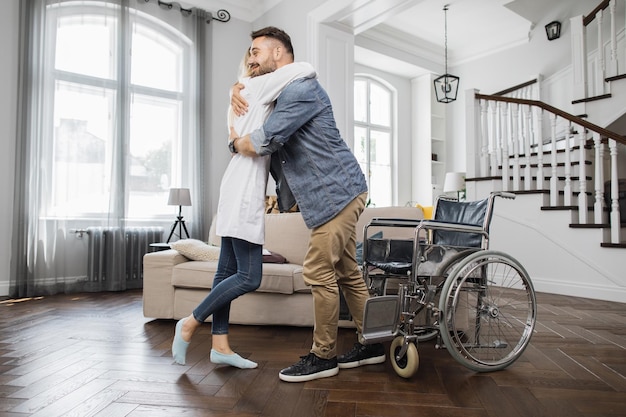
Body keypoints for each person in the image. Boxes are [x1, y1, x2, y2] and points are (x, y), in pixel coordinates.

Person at [230, 26, 386, 382]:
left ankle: (323, 355)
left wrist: (234, 144)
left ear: (279, 54)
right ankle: (374, 343)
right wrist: (234, 88)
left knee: (317, 270)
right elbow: (249, 92)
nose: (251, 59)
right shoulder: (279, 91)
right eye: (249, 55)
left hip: (339, 193)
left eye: (257, 52)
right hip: (330, 196)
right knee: (347, 271)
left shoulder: (301, 89)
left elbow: (267, 139)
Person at [171, 48, 316, 368]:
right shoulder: (257, 87)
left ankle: (220, 347)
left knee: (225, 272)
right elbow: (306, 68)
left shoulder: (242, 93)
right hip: (244, 192)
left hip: (235, 185)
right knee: (249, 277)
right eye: (263, 57)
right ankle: (191, 322)